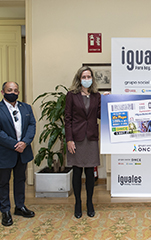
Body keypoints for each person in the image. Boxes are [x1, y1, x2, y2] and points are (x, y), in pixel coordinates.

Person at [0, 82, 36, 227]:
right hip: (5, 152)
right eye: (9, 90)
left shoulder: (26, 108)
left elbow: (32, 126)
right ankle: (5, 211)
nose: (12, 93)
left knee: (20, 179)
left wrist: (24, 143)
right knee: (3, 182)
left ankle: (20, 207)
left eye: (15, 90)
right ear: (2, 92)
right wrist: (15, 145)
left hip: (23, 151)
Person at [65, 66, 101, 219]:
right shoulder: (71, 95)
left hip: (91, 137)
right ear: (79, 79)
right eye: (84, 77)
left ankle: (90, 203)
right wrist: (69, 139)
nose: (87, 79)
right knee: (78, 171)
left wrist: (107, 100)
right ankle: (78, 203)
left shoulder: (96, 96)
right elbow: (67, 119)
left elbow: (100, 114)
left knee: (90, 172)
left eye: (89, 77)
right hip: (76, 138)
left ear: (92, 79)